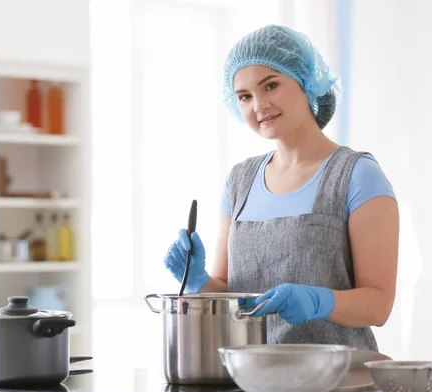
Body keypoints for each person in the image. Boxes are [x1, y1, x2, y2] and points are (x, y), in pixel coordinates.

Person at [163, 24, 399, 351]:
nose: (259, 105)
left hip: (338, 383)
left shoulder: (358, 175)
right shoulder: (239, 182)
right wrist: (197, 281)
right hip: (250, 377)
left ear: (306, 82)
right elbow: (227, 293)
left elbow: (379, 305)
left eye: (270, 85)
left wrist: (319, 301)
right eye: (244, 96)